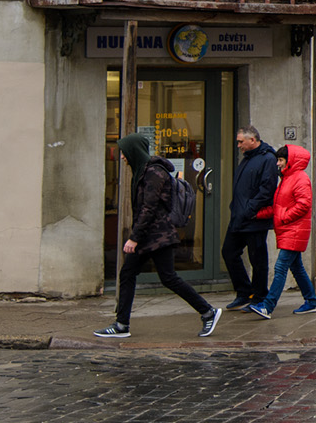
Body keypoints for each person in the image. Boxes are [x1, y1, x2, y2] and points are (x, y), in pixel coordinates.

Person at [94, 134, 222, 339]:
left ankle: (208, 312)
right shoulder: (142, 171)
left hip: (158, 236)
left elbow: (148, 208)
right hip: (151, 235)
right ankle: (121, 325)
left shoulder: (153, 172)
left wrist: (134, 237)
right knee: (129, 274)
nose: (122, 157)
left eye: (124, 152)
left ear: (134, 151)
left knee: (166, 277)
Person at [249, 144, 316, 319]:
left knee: (280, 267)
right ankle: (311, 301)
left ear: (291, 161)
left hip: (294, 230)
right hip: (290, 230)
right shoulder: (287, 179)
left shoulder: (299, 178)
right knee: (297, 268)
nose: (278, 163)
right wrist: (258, 214)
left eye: (281, 160)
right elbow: (278, 206)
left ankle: (267, 306)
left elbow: (304, 204)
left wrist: (284, 218)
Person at [221, 126, 278, 311]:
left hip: (254, 219)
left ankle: (259, 296)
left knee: (257, 259)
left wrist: (249, 209)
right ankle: (244, 292)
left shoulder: (267, 158)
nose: (238, 145)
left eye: (240, 142)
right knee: (228, 252)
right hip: (240, 217)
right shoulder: (247, 159)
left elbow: (267, 190)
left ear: (252, 140)